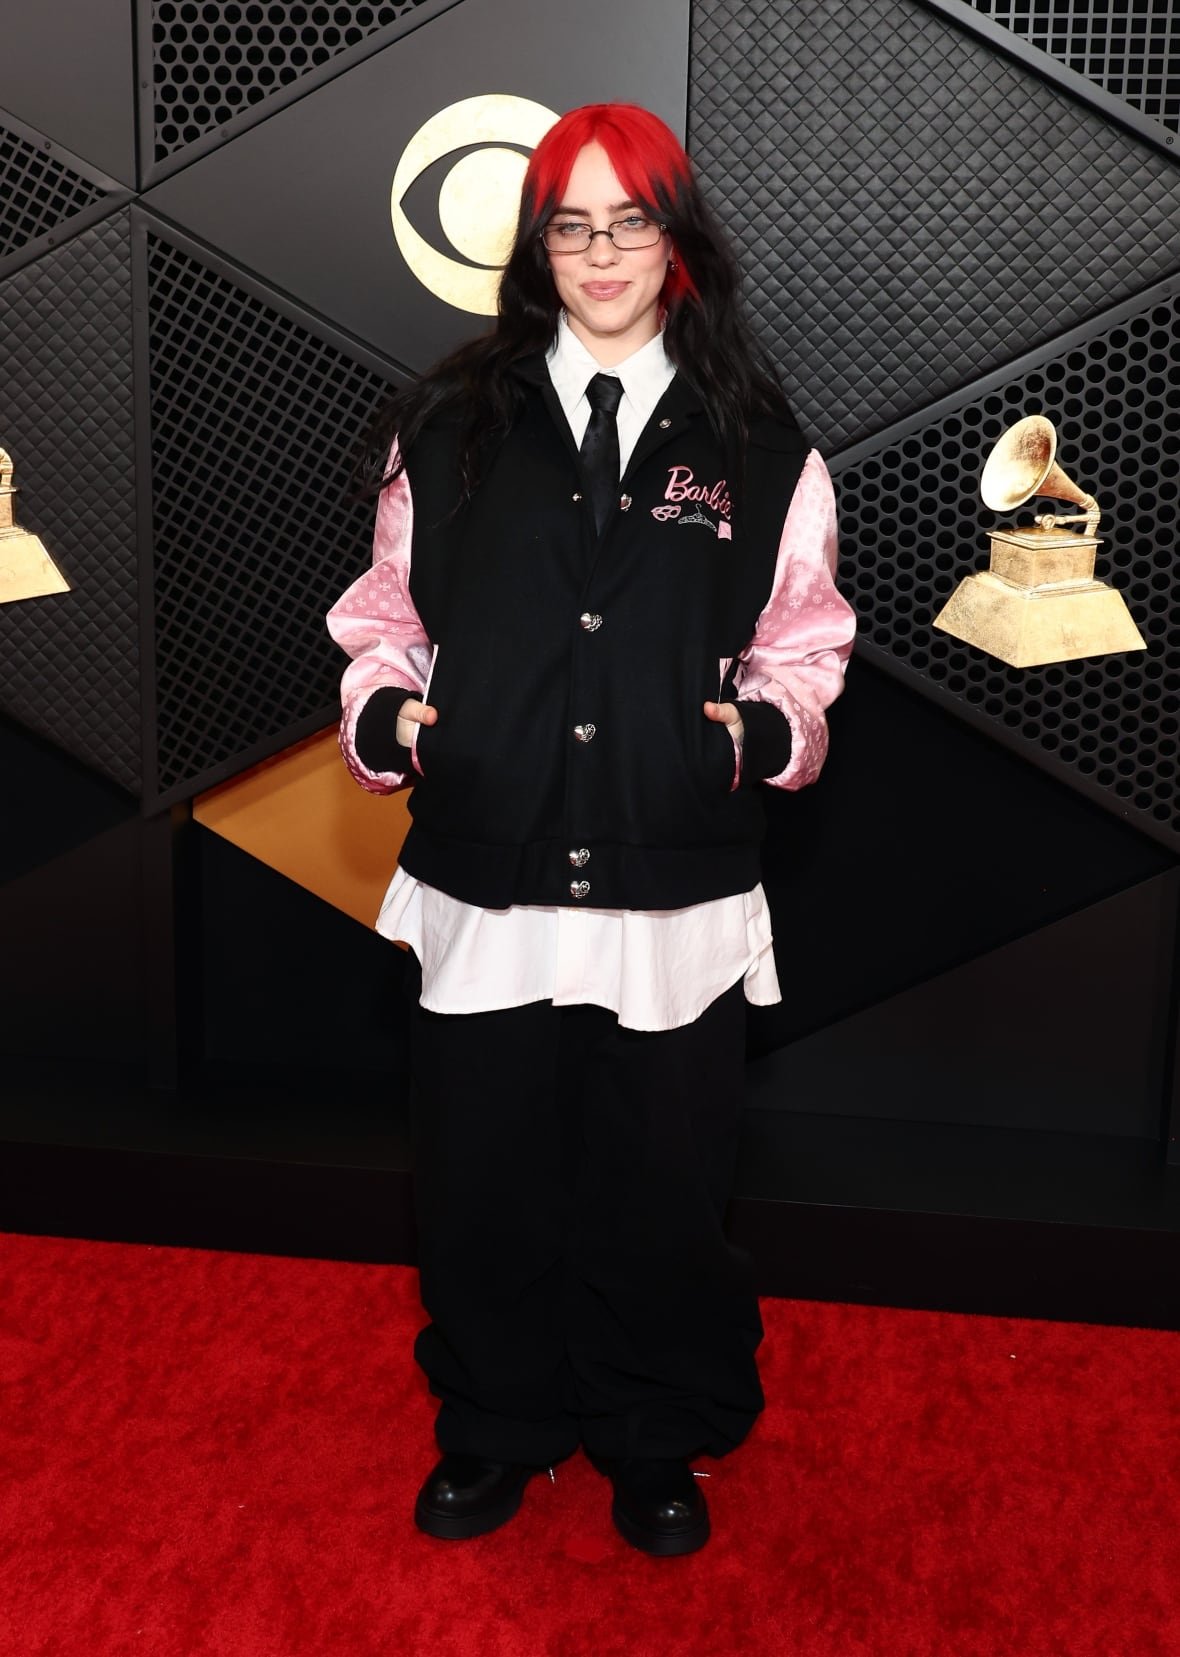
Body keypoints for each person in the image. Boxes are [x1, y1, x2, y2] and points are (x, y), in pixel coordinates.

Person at [326, 102, 856, 1557]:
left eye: (634, 221)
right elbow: (384, 625)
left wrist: (755, 735)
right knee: (483, 1175)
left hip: (671, 883)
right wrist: (397, 719)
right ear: (537, 244)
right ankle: (498, 1420)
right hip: (485, 874)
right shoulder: (448, 429)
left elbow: (805, 644)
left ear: (678, 241)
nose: (603, 252)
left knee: (659, 1186)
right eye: (573, 223)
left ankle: (649, 1424)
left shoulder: (759, 442)